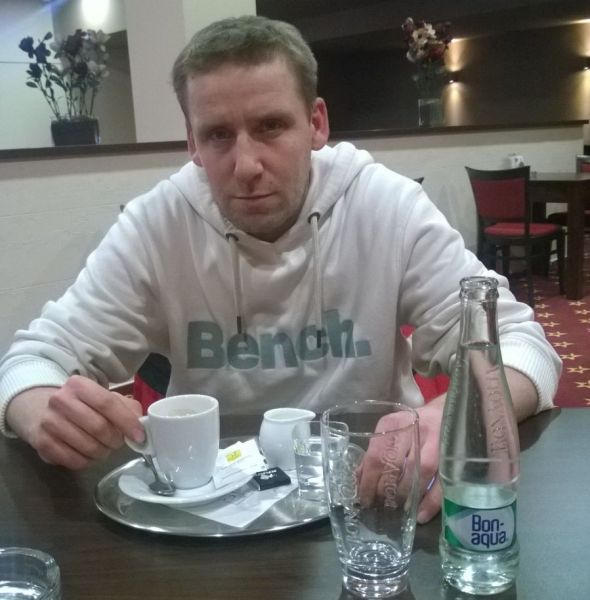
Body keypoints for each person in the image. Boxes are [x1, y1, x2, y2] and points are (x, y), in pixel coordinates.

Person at [0, 15, 560, 524]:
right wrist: (41, 409)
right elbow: (26, 365)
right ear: (192, 142)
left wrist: (456, 415)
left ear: (316, 123)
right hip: (211, 510)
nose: (246, 166)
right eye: (218, 135)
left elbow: (524, 347)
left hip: (374, 500)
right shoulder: (157, 225)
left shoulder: (387, 207)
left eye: (270, 126)